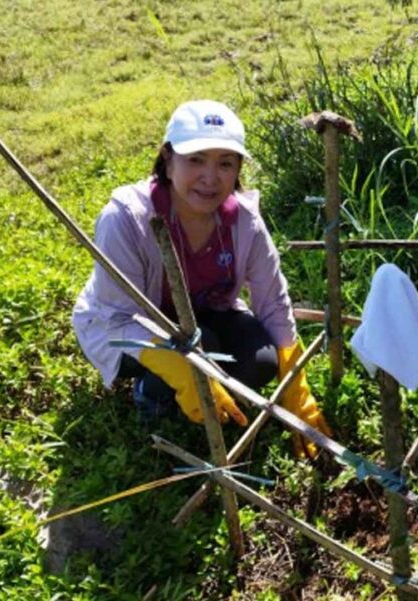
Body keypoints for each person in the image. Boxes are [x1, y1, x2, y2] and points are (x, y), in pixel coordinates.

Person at [72, 99, 330, 457]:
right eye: (196, 160)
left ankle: (200, 377)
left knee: (261, 362)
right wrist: (182, 370)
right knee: (198, 346)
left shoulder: (244, 221)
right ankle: (151, 394)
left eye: (225, 163)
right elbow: (117, 317)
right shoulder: (126, 219)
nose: (211, 178)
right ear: (167, 159)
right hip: (125, 326)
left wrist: (297, 389)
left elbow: (273, 302)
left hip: (206, 312)